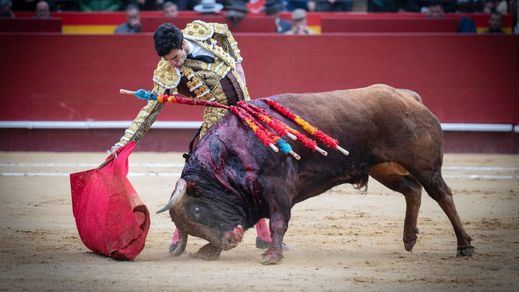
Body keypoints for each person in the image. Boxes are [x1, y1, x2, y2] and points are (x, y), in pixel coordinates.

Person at [111, 21, 274, 250]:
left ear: (182, 43)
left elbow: (225, 32)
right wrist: (124, 143)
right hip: (217, 123)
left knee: (252, 172)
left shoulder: (200, 32)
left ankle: (264, 235)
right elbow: (150, 110)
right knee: (197, 176)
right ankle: (179, 234)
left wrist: (237, 62)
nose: (174, 63)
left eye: (176, 57)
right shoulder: (168, 73)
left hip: (243, 111)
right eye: (169, 60)